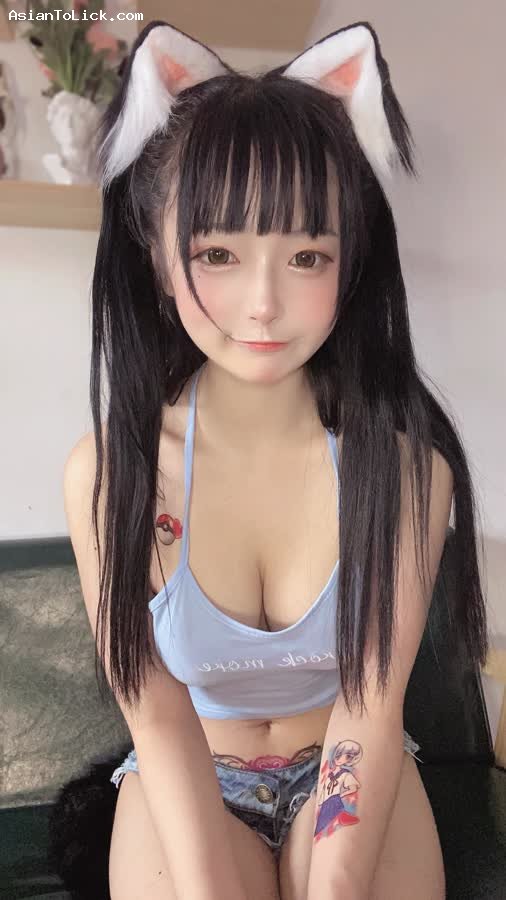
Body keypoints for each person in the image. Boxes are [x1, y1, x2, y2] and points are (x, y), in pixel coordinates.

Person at [61, 17, 488, 900]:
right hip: (186, 778)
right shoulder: (108, 472)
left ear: (351, 261)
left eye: (306, 255)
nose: (263, 303)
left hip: (346, 770)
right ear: (156, 255)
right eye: (218, 253)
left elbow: (371, 707)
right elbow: (156, 714)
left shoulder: (408, 473)